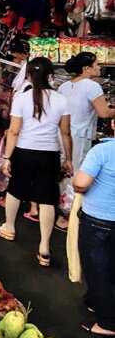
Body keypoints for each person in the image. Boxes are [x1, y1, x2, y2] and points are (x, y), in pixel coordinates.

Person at [0, 57, 73, 267]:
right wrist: (69, 159)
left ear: (28, 75)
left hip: (24, 152)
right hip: (49, 155)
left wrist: (6, 157)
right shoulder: (62, 99)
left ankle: (9, 227)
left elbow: (15, 131)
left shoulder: (21, 98)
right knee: (46, 198)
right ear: (50, 76)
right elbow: (65, 133)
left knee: (16, 189)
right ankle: (44, 247)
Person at [55, 52, 114, 231]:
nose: (99, 68)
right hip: (78, 137)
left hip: (61, 134)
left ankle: (57, 210)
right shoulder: (92, 86)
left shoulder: (64, 86)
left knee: (62, 174)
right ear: (86, 68)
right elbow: (104, 112)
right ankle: (67, 217)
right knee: (77, 174)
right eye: (96, 65)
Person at [73, 119, 115, 338]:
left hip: (100, 221)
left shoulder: (103, 150)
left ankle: (108, 324)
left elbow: (81, 183)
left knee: (97, 268)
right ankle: (95, 300)